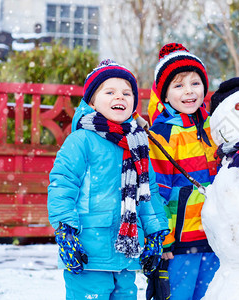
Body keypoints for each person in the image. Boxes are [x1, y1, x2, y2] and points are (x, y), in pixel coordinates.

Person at [47, 59, 168, 300]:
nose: (119, 97)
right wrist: (65, 231)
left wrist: (155, 233)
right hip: (88, 251)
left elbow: (149, 192)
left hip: (127, 255)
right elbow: (62, 185)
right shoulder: (81, 140)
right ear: (92, 101)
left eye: (126, 92)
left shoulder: (137, 143)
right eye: (110, 92)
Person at [147, 43, 219, 300]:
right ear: (164, 95)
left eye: (195, 83)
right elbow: (156, 193)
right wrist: (162, 239)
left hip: (216, 239)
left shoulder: (217, 128)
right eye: (178, 86)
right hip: (178, 244)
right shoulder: (161, 135)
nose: (189, 91)